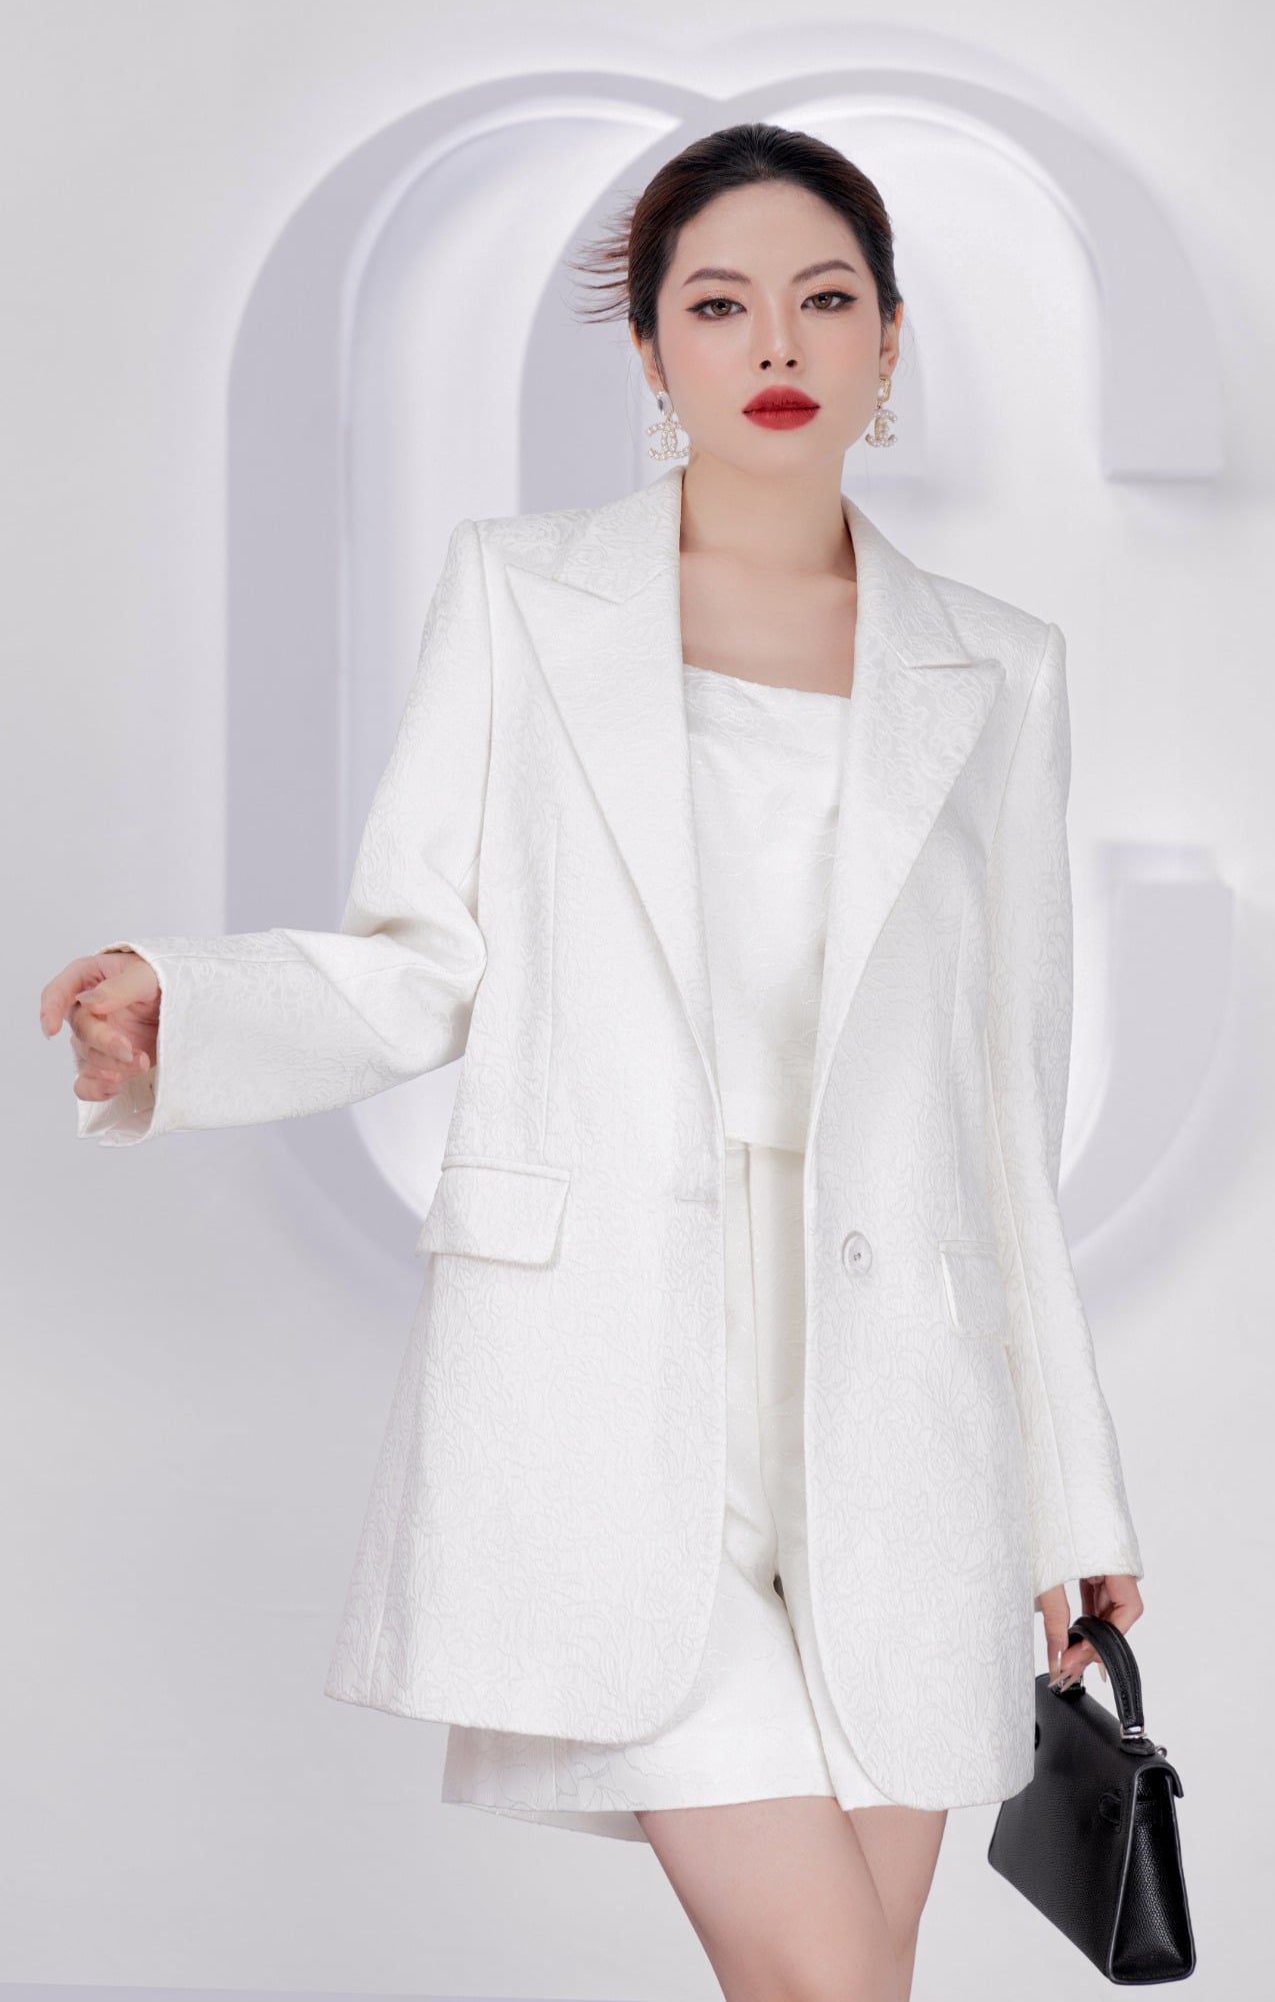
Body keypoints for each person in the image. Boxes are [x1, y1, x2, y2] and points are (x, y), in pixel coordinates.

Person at [39, 123, 1145, 2002]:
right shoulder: (523, 596)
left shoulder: (998, 668)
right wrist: (190, 1003)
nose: (773, 342)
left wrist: (1074, 1499)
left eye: (823, 299)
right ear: (649, 351)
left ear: (888, 340)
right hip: (609, 1386)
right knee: (824, 1981)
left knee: (851, 1985)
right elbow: (427, 959)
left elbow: (998, 1106)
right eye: (716, 305)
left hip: (904, 1417)